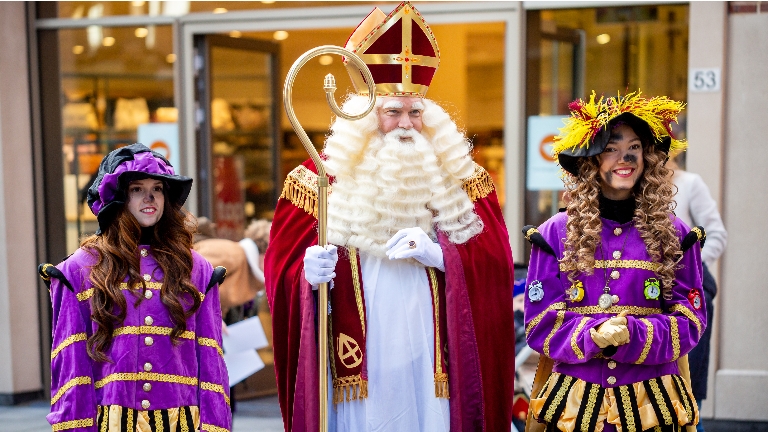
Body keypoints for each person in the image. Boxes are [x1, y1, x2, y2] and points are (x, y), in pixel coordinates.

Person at [264, 2, 515, 431]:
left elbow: (497, 267)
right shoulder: (317, 180)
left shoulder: (464, 178)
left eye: (415, 112)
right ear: (365, 115)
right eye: (392, 111)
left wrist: (442, 256)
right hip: (357, 357)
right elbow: (280, 270)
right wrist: (306, 275)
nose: (405, 124)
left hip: (436, 354)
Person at [524, 91, 706, 432]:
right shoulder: (553, 233)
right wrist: (594, 334)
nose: (626, 159)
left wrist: (635, 334)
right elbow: (539, 324)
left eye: (635, 148)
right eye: (611, 148)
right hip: (575, 410)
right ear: (591, 159)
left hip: (653, 407)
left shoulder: (677, 233)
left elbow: (690, 320)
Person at [39, 144, 231, 432]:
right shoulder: (80, 269)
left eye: (157, 188)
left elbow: (211, 360)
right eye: (137, 189)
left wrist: (214, 427)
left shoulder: (196, 268)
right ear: (119, 197)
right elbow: (72, 367)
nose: (150, 197)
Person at [667, 157, 727, 432]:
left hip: (690, 292)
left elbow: (716, 234)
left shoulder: (689, 183)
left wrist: (690, 265)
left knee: (688, 392)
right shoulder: (633, 186)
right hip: (651, 295)